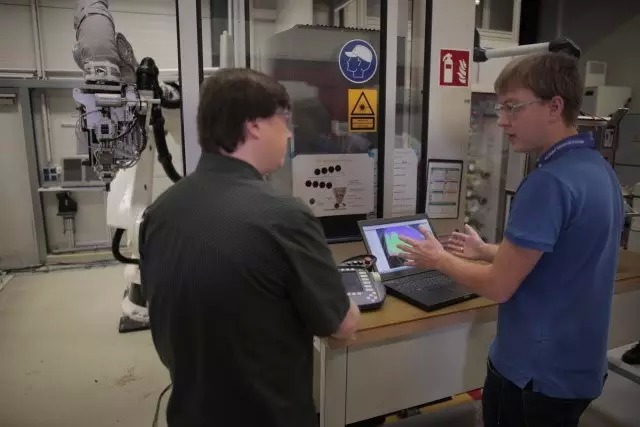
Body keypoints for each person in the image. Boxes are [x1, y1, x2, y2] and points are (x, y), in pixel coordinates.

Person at [397, 52, 624, 426]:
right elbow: (560, 255)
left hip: (533, 374)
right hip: (579, 367)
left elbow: (498, 286)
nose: (503, 120)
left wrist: (437, 258)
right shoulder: (598, 170)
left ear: (554, 107)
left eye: (513, 107)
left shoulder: (548, 183)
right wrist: (486, 251)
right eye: (501, 108)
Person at [138, 68, 360, 427]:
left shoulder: (160, 212)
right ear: (254, 126)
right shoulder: (285, 215)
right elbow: (342, 325)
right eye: (284, 120)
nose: (290, 133)